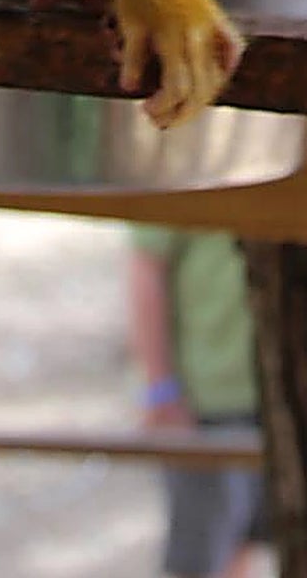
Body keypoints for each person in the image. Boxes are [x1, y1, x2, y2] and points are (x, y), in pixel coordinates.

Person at [128, 229, 267, 578]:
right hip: (203, 402)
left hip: (268, 394)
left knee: (244, 542)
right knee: (200, 558)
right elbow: (144, 266)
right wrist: (161, 389)